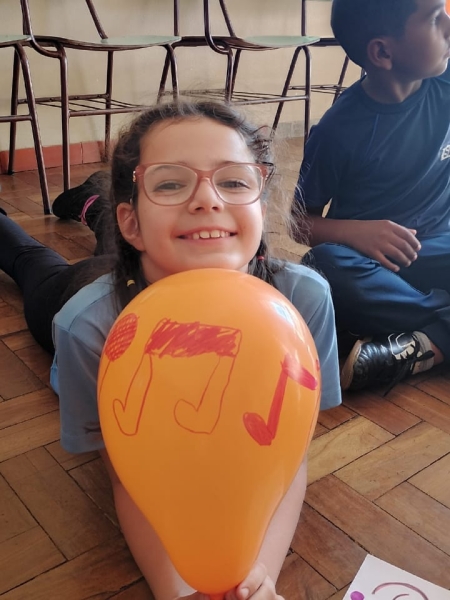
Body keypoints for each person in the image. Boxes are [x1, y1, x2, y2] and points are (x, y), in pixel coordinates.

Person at [0, 101, 341, 600]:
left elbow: (287, 460)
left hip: (152, 251)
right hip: (92, 284)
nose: (207, 199)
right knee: (34, 262)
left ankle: (94, 203)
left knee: (141, 239)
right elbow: (127, 478)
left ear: (262, 209)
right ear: (134, 222)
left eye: (234, 181)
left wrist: (256, 578)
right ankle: (75, 213)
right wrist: (175, 592)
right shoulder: (86, 325)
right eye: (169, 183)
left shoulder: (303, 301)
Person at [293, 0, 450, 392]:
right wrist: (356, 233)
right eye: (435, 18)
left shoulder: (445, 82)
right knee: (323, 267)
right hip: (374, 268)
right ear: (382, 52)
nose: (449, 25)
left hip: (440, 247)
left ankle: (429, 343)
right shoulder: (338, 130)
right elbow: (298, 222)